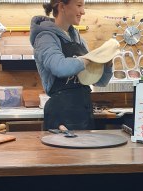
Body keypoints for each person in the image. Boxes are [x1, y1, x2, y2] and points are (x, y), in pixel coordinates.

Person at [30, 0, 113, 131]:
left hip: (84, 111)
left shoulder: (80, 41)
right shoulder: (45, 38)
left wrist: (107, 65)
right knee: (64, 152)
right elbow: (59, 67)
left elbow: (99, 82)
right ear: (62, 6)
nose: (83, 11)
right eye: (79, 5)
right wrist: (89, 59)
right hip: (61, 114)